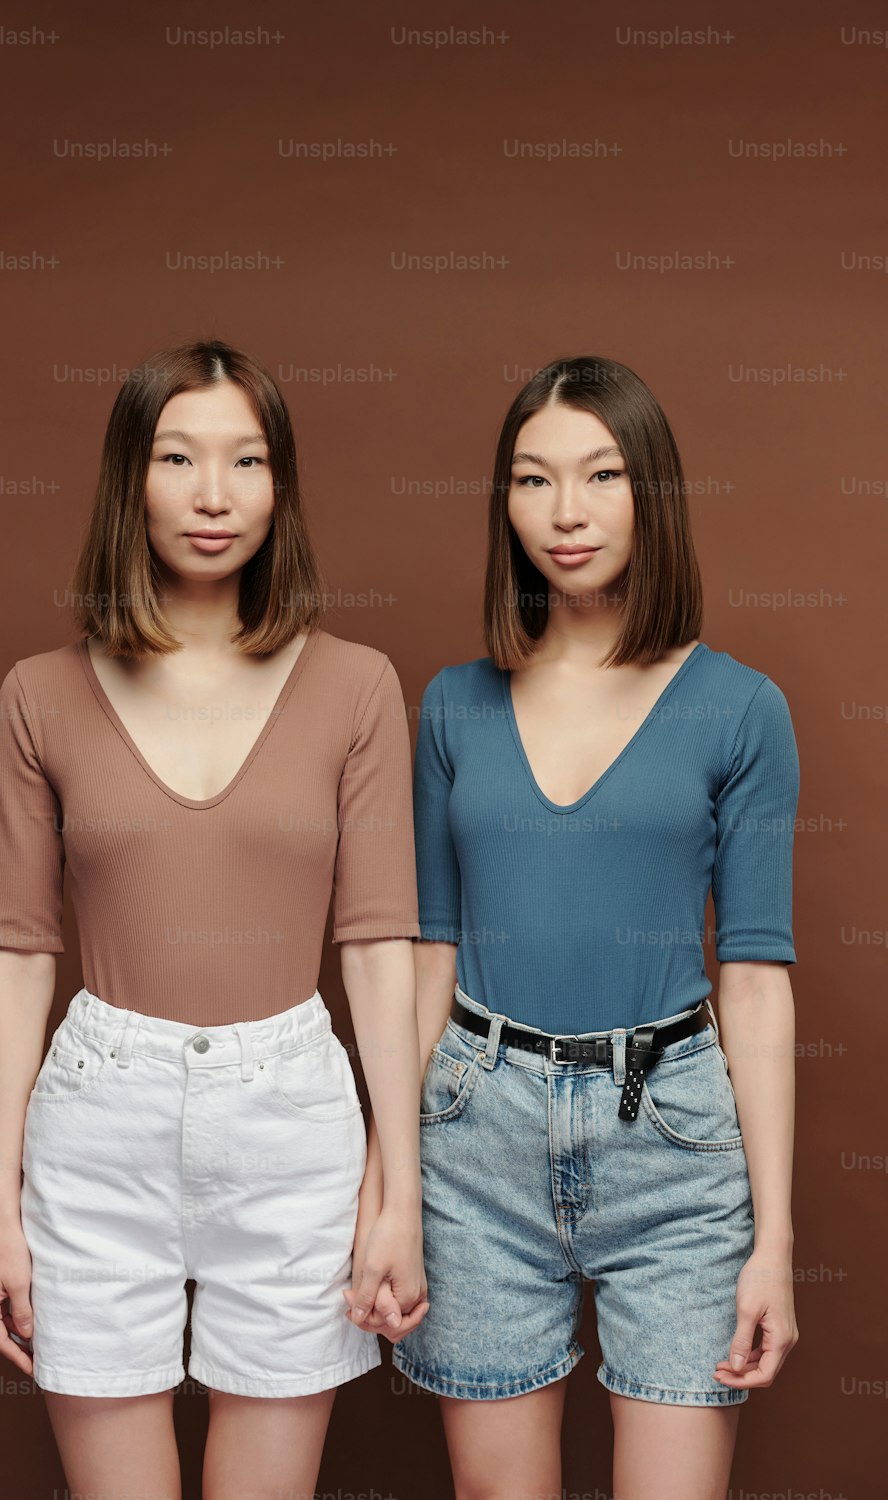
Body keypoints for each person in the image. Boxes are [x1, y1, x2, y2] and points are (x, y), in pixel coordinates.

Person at [0, 339, 429, 1500]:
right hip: (96, 1123)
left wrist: (397, 1197)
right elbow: (18, 956)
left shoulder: (357, 685)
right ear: (133, 479)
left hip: (292, 1122)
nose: (214, 494)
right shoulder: (39, 692)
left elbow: (379, 948)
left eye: (247, 460)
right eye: (179, 458)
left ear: (281, 487)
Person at [377, 355, 800, 1500]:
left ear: (648, 492)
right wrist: (393, 1192)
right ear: (502, 504)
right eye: (532, 480)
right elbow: (427, 952)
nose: (565, 513)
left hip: (673, 1137)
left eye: (600, 476)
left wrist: (776, 1241)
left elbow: (756, 980)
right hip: (475, 1133)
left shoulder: (741, 709)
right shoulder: (450, 705)